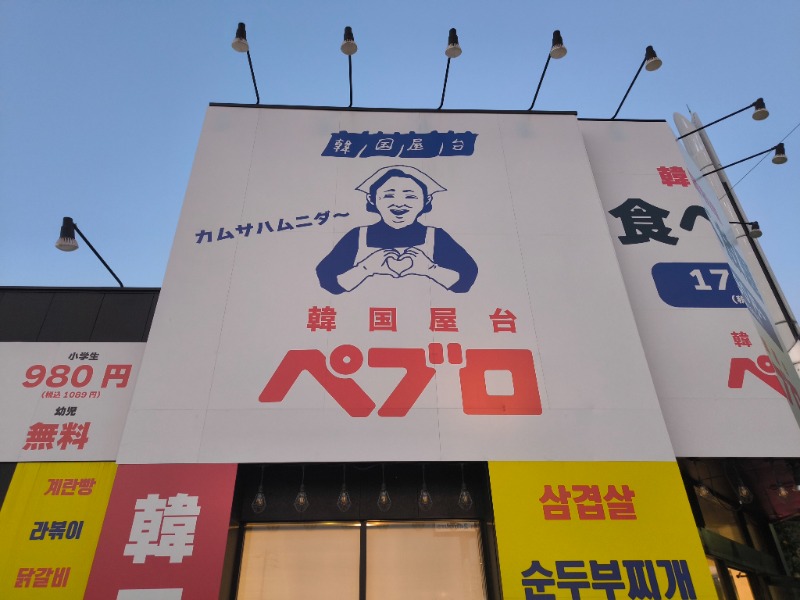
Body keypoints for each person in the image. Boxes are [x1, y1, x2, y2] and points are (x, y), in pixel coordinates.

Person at [316, 165, 478, 294]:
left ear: (426, 200)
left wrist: (430, 269)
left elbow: (465, 280)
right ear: (372, 199)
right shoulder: (357, 236)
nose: (399, 204)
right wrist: (365, 268)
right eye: (389, 195)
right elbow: (327, 280)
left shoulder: (436, 237)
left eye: (410, 196)